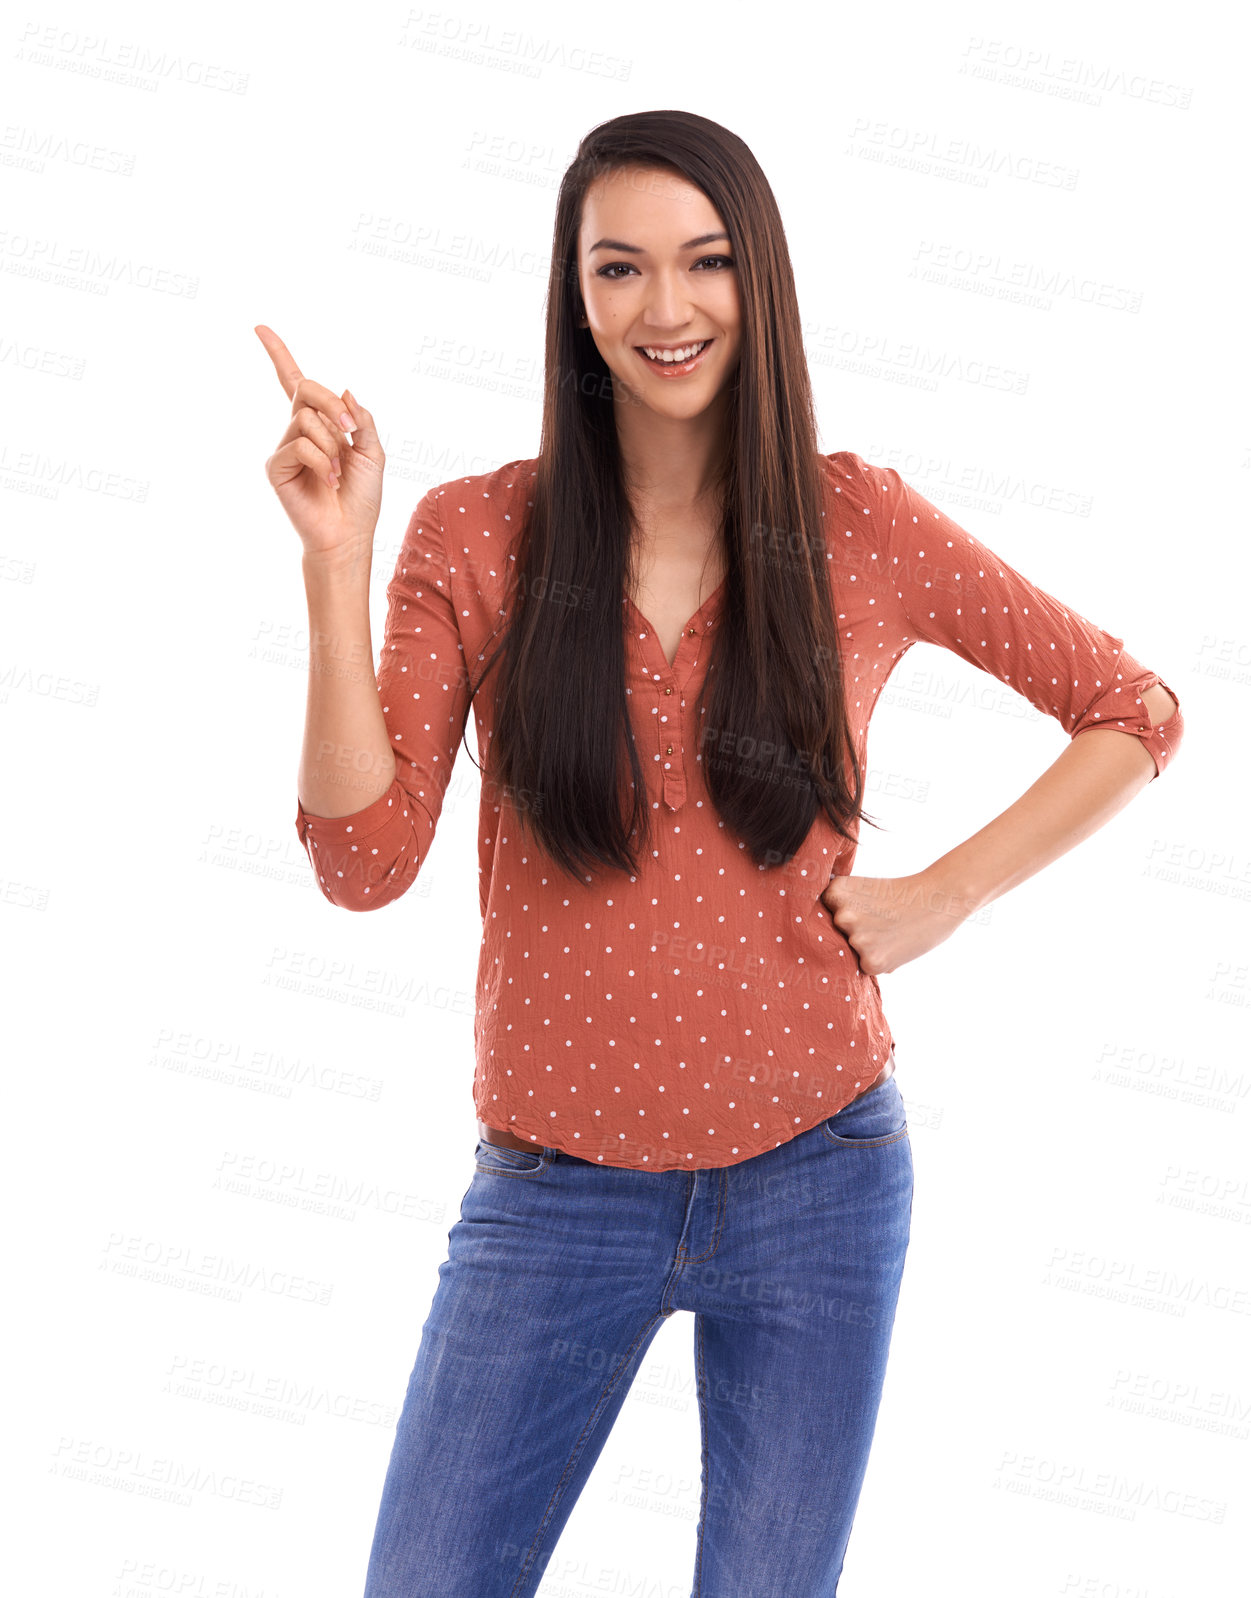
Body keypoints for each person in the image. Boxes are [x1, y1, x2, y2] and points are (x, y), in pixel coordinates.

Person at [258, 110, 1183, 1598]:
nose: (666, 308)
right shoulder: (478, 534)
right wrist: (334, 561)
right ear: (574, 294)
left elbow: (1134, 708)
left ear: (761, 282)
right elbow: (363, 861)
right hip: (553, 1189)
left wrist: (941, 896)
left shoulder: (857, 520)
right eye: (620, 268)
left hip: (821, 1174)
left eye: (705, 263)